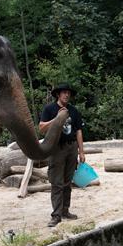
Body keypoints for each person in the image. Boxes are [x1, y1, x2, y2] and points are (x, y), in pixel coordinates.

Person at [39, 83, 85, 227]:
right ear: (58, 94)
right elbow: (41, 128)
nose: (66, 95)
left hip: (71, 148)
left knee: (67, 182)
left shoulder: (74, 111)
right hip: (56, 148)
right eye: (64, 92)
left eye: (68, 93)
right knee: (56, 183)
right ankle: (56, 215)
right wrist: (58, 118)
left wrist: (81, 151)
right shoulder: (49, 109)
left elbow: (78, 131)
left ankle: (65, 211)